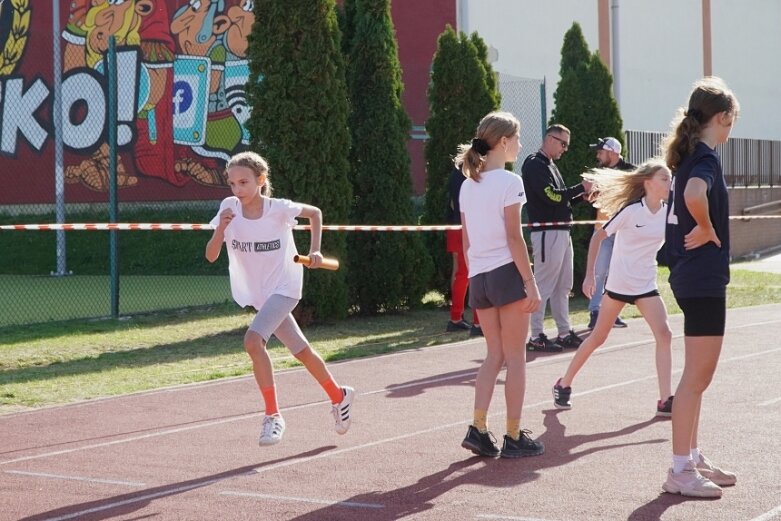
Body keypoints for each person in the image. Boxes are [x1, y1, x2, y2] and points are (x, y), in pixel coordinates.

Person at [205, 151, 355, 446]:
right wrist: (221, 228)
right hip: (261, 295)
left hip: (285, 288)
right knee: (301, 351)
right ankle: (340, 396)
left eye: (244, 182)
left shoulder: (279, 209)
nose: (237, 190)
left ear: (261, 180)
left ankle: (273, 415)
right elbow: (211, 256)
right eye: (232, 183)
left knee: (252, 341)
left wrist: (316, 250)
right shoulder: (228, 208)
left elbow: (314, 214)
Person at [661, 77, 739, 498]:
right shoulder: (704, 159)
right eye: (731, 123)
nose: (731, 131)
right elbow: (694, 195)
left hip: (690, 275)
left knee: (698, 377)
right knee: (696, 377)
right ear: (722, 118)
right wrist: (708, 227)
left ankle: (691, 455)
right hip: (702, 277)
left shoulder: (689, 154)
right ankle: (679, 470)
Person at [552, 159, 674, 417]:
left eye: (670, 178)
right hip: (619, 283)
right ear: (648, 183)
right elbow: (599, 236)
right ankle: (564, 384)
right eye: (665, 179)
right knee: (598, 337)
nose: (669, 183)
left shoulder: (668, 212)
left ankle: (665, 399)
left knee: (665, 334)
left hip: (646, 284)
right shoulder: (631, 211)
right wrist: (589, 277)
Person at [457, 111, 544, 458]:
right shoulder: (511, 182)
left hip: (479, 276)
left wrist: (475, 273)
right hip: (507, 274)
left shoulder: (467, 185)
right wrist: (530, 282)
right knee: (516, 357)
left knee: (494, 355)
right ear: (504, 142)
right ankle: (512, 436)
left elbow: (466, 241)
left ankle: (477, 428)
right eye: (518, 139)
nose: (520, 146)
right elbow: (514, 236)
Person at [521, 124, 593, 352]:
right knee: (543, 285)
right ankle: (536, 335)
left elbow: (562, 200)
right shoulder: (534, 164)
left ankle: (564, 332)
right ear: (550, 139)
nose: (565, 149)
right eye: (563, 144)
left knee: (563, 286)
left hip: (561, 231)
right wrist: (579, 187)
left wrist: (582, 196)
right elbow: (551, 196)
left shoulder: (550, 165)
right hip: (547, 232)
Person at [586, 137, 636, 329]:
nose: (598, 156)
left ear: (613, 152)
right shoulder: (597, 173)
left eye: (601, 152)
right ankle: (595, 312)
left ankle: (612, 313)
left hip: (623, 232)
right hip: (602, 230)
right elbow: (590, 197)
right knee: (599, 272)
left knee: (617, 273)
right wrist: (589, 194)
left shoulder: (631, 171)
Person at [445, 166, 482, 337]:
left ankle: (457, 317)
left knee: (462, 273)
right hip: (466, 227)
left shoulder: (456, 174)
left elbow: (453, 203)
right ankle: (477, 321)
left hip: (457, 226)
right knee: (473, 273)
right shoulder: (469, 176)